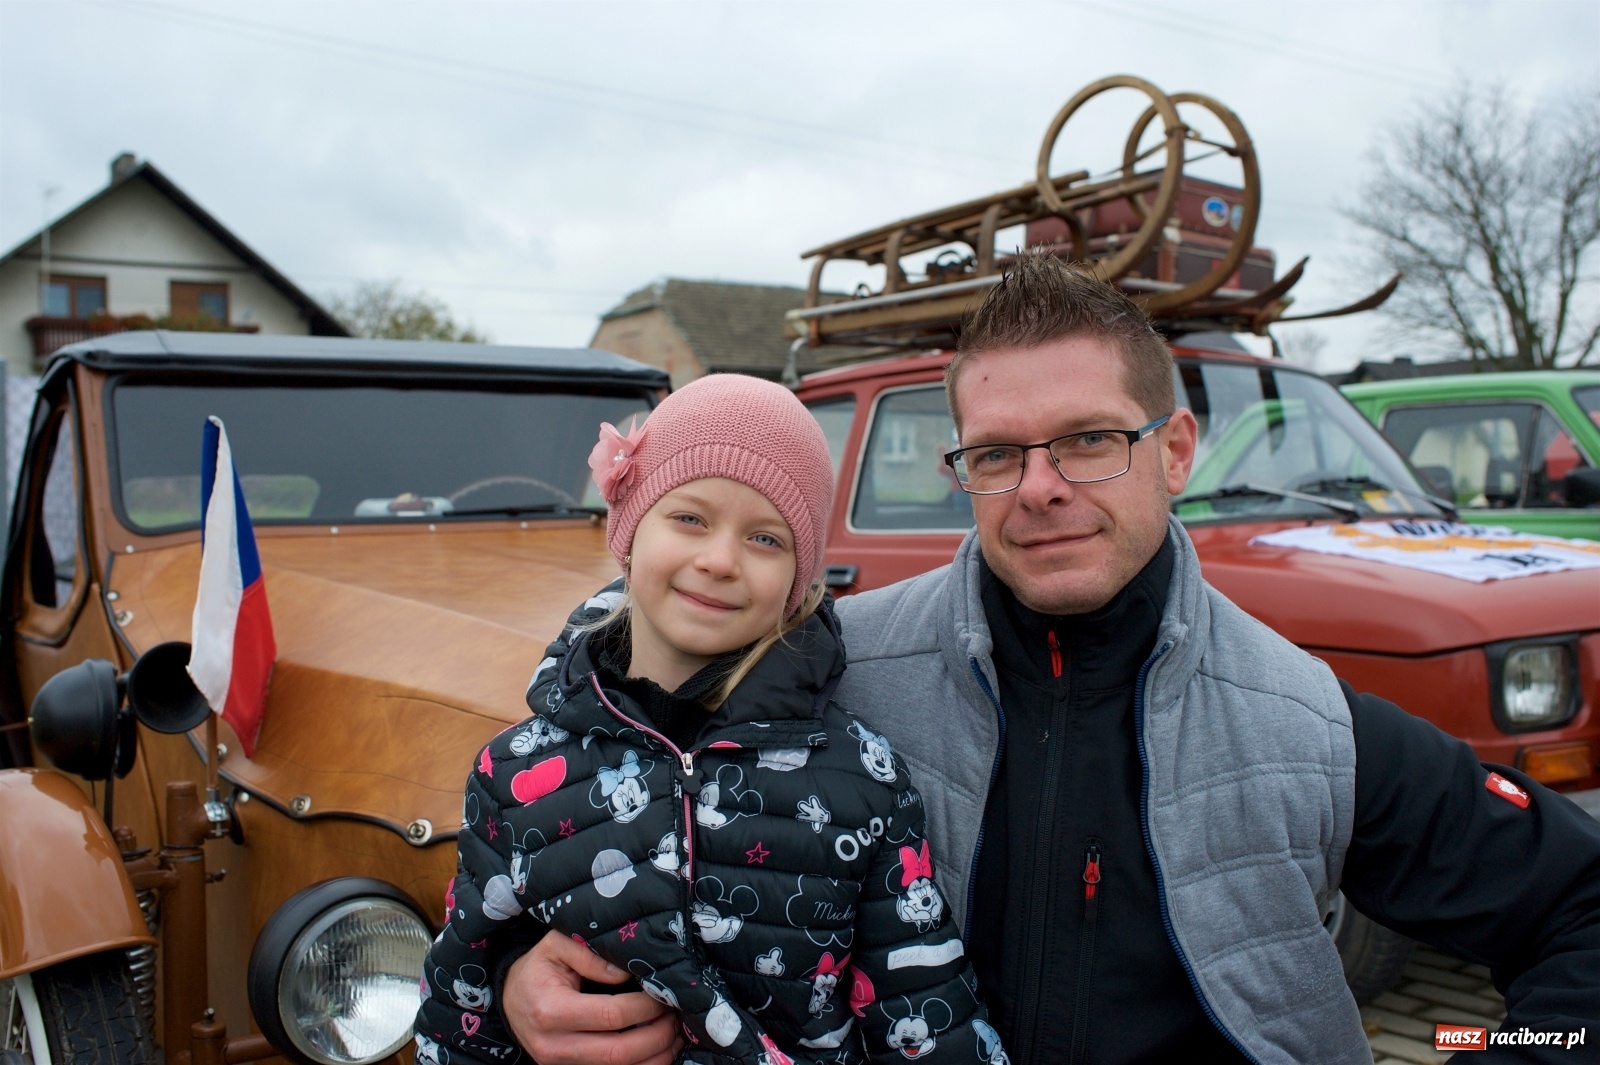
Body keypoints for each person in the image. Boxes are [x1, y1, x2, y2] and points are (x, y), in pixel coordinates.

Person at [497, 255, 1600, 1065]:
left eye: (1086, 439)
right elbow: (603, 808)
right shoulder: (822, 675)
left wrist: (1494, 1052)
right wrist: (524, 982)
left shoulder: (1304, 721)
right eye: (996, 454)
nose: (1039, 486)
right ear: (960, 471)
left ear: (1172, 451)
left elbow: (1580, 910)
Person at [416, 373, 1007, 1065]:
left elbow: (927, 1012)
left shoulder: (865, 778)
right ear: (629, 532)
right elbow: (459, 1012)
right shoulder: (511, 773)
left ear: (798, 583)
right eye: (690, 518)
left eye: (765, 538)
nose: (720, 560)